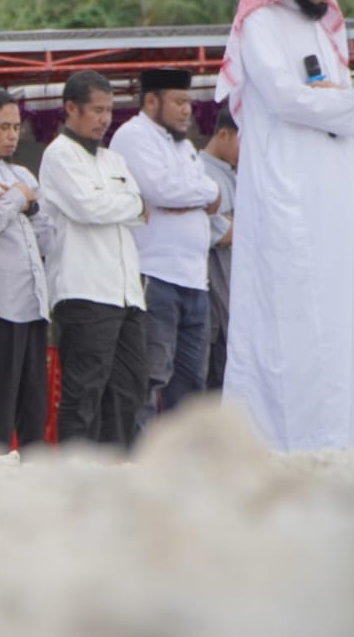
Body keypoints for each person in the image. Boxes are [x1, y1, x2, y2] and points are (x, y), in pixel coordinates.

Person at [215, 0, 354, 450]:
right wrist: (353, 105)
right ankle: (280, 440)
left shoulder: (326, 25)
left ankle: (344, 437)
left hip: (335, 191)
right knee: (288, 310)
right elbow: (290, 98)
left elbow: (329, 96)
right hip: (286, 188)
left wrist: (344, 103)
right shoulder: (260, 22)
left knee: (338, 309)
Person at [39, 70, 148, 448]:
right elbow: (88, 208)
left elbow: (137, 208)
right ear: (71, 108)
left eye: (109, 110)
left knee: (129, 386)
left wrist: (127, 204)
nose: (104, 118)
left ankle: (117, 471)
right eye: (97, 110)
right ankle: (76, 473)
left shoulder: (114, 159)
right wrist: (130, 203)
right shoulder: (58, 154)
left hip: (126, 292)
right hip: (85, 289)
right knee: (83, 389)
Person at [110, 68, 219, 431]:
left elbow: (209, 190)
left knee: (191, 383)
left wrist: (196, 195)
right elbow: (160, 191)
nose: (187, 110)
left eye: (189, 102)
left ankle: (183, 462)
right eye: (179, 101)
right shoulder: (133, 136)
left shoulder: (184, 146)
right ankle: (141, 462)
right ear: (151, 101)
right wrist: (199, 195)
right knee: (150, 376)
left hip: (194, 280)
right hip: (154, 276)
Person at [0, 87, 55, 450]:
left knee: (35, 404)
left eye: (16, 127)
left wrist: (28, 205)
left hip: (33, 303)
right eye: (3, 127)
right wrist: (19, 198)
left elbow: (47, 235)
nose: (12, 135)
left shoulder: (21, 171)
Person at [198, 110, 239, 390]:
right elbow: (218, 231)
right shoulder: (200, 172)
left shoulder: (234, 175)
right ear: (223, 135)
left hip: (233, 303)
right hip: (213, 301)